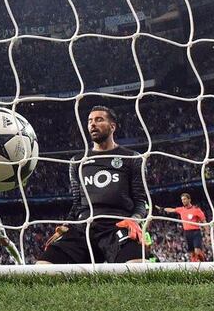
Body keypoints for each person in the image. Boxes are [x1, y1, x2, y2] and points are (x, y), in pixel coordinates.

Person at [38, 106, 147, 264]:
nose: (93, 124)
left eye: (99, 119)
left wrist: (134, 219)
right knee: (42, 266)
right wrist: (67, 225)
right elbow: (76, 204)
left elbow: (140, 201)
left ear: (112, 126)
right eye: (90, 121)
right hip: (83, 227)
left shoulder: (132, 158)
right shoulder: (77, 161)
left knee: (137, 266)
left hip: (116, 225)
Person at [156, 193, 208, 262]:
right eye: (182, 200)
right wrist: (162, 209)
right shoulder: (181, 209)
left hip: (196, 232)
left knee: (197, 251)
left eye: (184, 199)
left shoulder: (196, 210)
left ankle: (205, 262)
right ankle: (195, 267)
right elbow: (172, 210)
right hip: (187, 233)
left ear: (189, 200)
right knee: (192, 253)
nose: (183, 201)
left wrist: (207, 233)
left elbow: (204, 221)